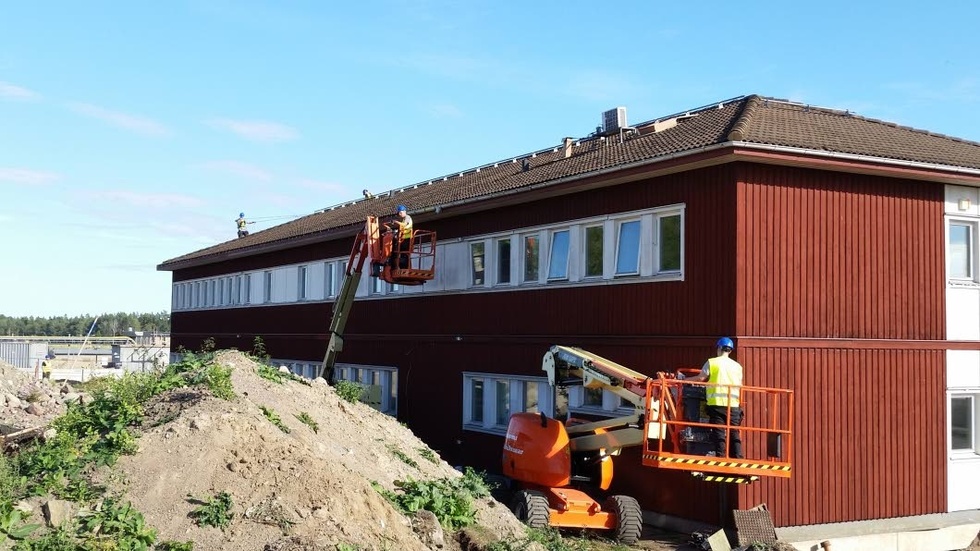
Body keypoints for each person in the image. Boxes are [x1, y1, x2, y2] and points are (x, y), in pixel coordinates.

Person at [687, 337, 743, 458]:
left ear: (719, 348)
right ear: (730, 351)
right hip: (733, 404)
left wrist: (683, 380)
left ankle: (721, 456)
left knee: (719, 431)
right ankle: (738, 458)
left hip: (717, 403)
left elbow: (700, 378)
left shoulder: (712, 362)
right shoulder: (737, 366)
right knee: (734, 431)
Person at [385, 204, 413, 269]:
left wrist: (396, 222)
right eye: (399, 213)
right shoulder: (404, 219)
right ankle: (397, 266)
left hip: (407, 239)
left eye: (400, 213)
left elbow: (404, 225)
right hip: (403, 239)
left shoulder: (407, 217)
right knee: (399, 252)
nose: (400, 214)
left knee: (403, 253)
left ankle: (402, 267)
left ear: (404, 211)